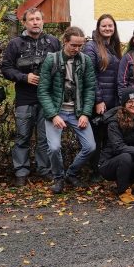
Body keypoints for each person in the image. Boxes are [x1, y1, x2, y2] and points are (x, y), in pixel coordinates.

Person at [1, 7, 61, 187]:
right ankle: (21, 171)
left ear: (43, 21)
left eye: (38, 19)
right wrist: (23, 77)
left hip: (47, 99)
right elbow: (5, 68)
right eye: (31, 19)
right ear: (25, 23)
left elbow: (61, 67)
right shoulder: (15, 44)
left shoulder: (53, 42)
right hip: (24, 98)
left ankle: (45, 170)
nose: (35, 22)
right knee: (22, 136)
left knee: (45, 138)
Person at [37, 27, 97, 194]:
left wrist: (85, 113)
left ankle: (71, 173)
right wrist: (53, 115)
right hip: (56, 111)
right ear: (65, 42)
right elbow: (43, 90)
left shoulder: (85, 61)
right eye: (73, 45)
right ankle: (58, 178)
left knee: (90, 147)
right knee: (54, 147)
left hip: (77, 112)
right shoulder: (52, 60)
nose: (77, 49)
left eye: (80, 45)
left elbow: (90, 89)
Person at [84, 14, 123, 182]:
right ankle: (94, 171)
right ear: (98, 28)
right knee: (96, 138)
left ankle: (106, 170)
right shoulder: (91, 47)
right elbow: (90, 75)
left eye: (110, 26)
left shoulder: (113, 47)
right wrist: (98, 100)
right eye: (104, 26)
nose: (108, 28)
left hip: (113, 101)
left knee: (109, 137)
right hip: (99, 102)